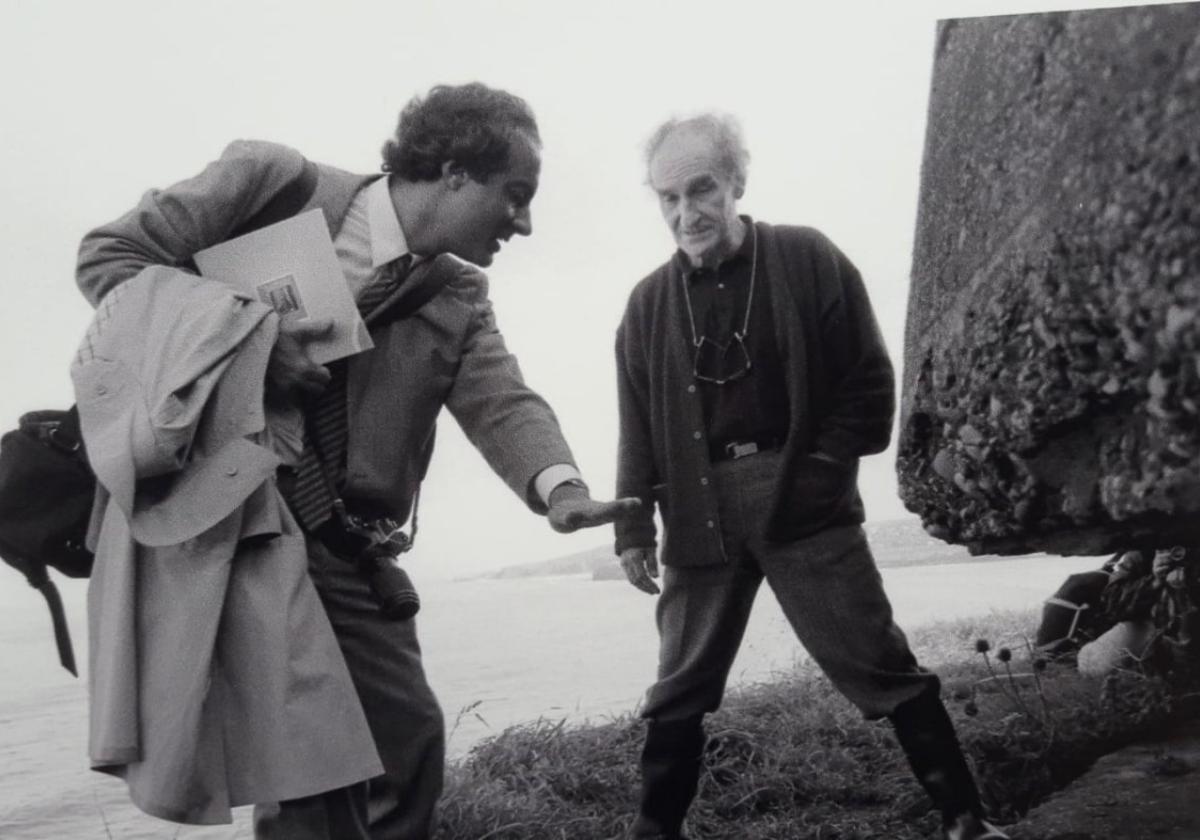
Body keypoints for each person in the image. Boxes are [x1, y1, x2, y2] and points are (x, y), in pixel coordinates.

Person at [76, 82, 637, 840]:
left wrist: (560, 489)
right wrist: (248, 345)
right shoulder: (272, 183)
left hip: (344, 545)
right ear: (452, 171)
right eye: (516, 194)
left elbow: (503, 401)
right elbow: (110, 258)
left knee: (407, 743)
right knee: (309, 772)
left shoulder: (457, 293)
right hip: (232, 530)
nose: (525, 222)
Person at [613, 113, 1008, 840]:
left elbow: (867, 381)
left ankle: (965, 821)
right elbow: (637, 426)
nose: (685, 212)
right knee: (679, 687)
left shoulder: (806, 257)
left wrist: (821, 475)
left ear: (735, 181)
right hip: (697, 509)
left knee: (878, 660)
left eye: (700, 190)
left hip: (801, 495)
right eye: (667, 197)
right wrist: (635, 523)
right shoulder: (645, 305)